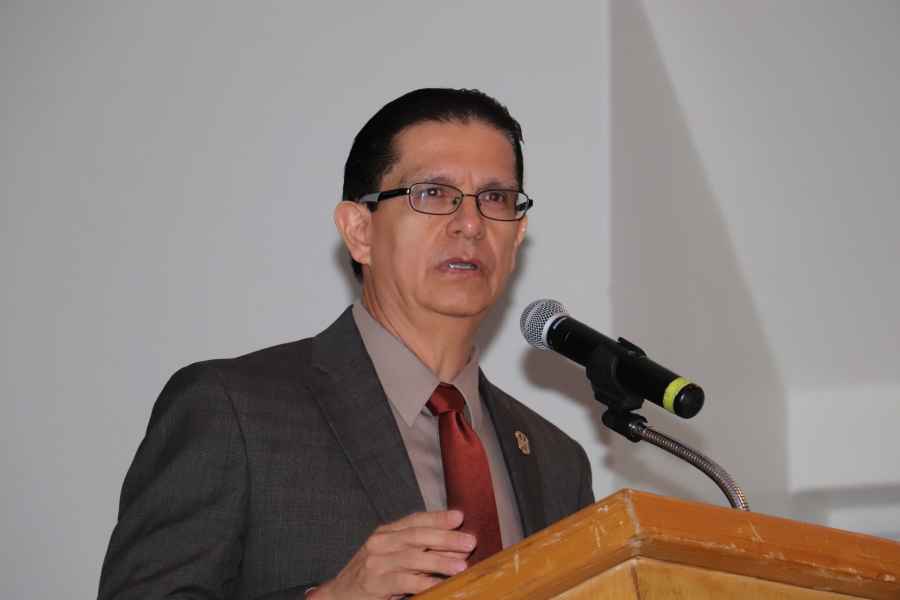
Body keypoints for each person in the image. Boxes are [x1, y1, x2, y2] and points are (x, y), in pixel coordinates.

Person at [98, 88, 594, 600]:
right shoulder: (231, 409)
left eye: (495, 199)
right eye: (432, 193)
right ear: (359, 231)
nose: (471, 224)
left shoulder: (558, 463)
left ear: (517, 237)